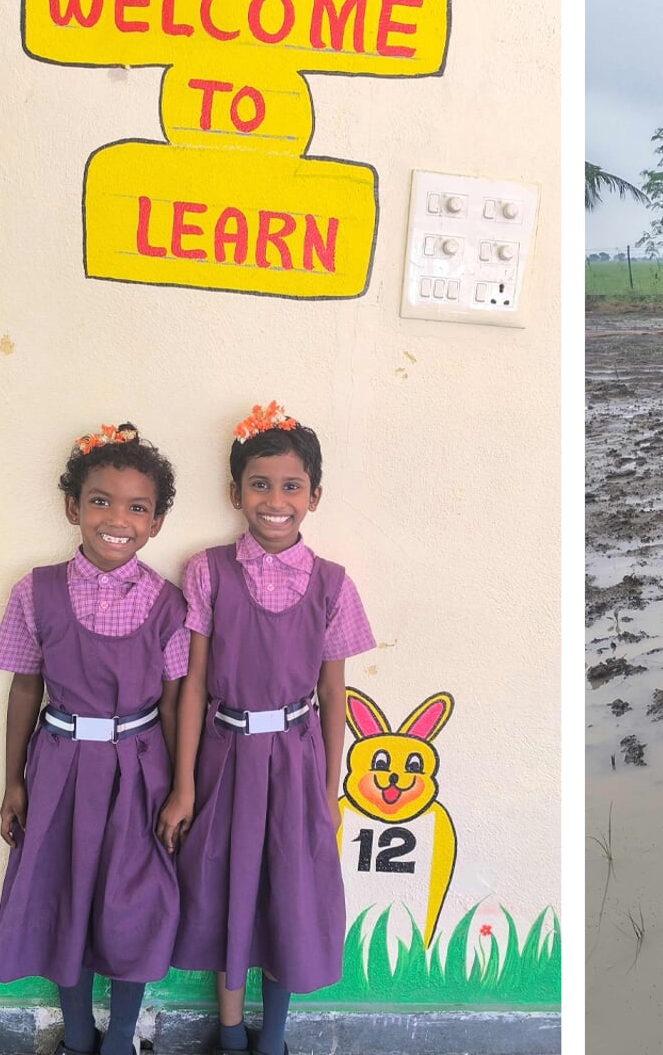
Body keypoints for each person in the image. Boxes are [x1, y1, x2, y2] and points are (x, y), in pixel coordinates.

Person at [161, 403, 375, 1055]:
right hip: (223, 759)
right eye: (259, 484)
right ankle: (229, 1033)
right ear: (235, 492)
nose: (274, 499)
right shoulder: (207, 570)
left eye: (289, 487)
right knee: (227, 888)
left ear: (313, 496)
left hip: (295, 760)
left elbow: (331, 690)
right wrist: (183, 784)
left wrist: (329, 788)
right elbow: (191, 684)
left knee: (290, 892)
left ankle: (272, 1038)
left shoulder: (332, 584)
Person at [0, 424, 188, 1055]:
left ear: (156, 523)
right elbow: (25, 689)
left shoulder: (169, 603)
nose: (118, 519)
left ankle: (121, 1037)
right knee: (64, 896)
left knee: (133, 904)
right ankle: (78, 1035)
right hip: (60, 767)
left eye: (138, 508)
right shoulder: (35, 590)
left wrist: (181, 787)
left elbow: (180, 700)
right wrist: (14, 779)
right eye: (101, 500)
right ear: (73, 507)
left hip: (140, 769)